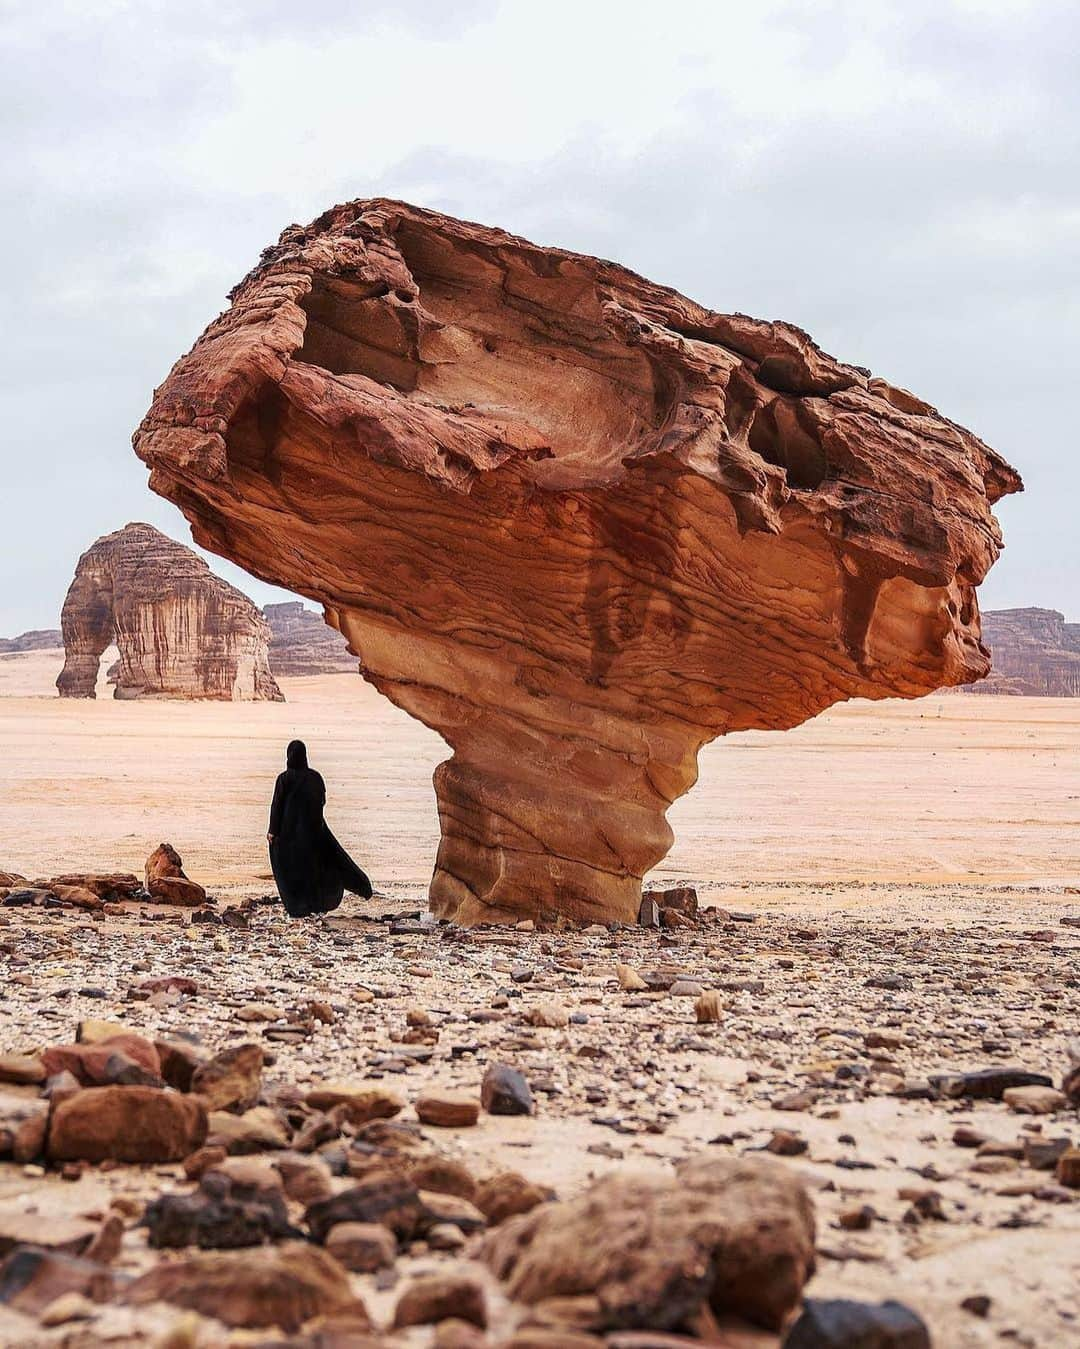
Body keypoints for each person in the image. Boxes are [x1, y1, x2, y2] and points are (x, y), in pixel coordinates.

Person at [267, 739, 372, 917]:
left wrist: (272, 831)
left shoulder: (284, 779)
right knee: (315, 868)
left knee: (292, 868)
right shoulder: (315, 777)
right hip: (314, 831)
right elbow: (322, 801)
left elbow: (277, 805)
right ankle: (317, 902)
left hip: (289, 833)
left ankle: (298, 906)